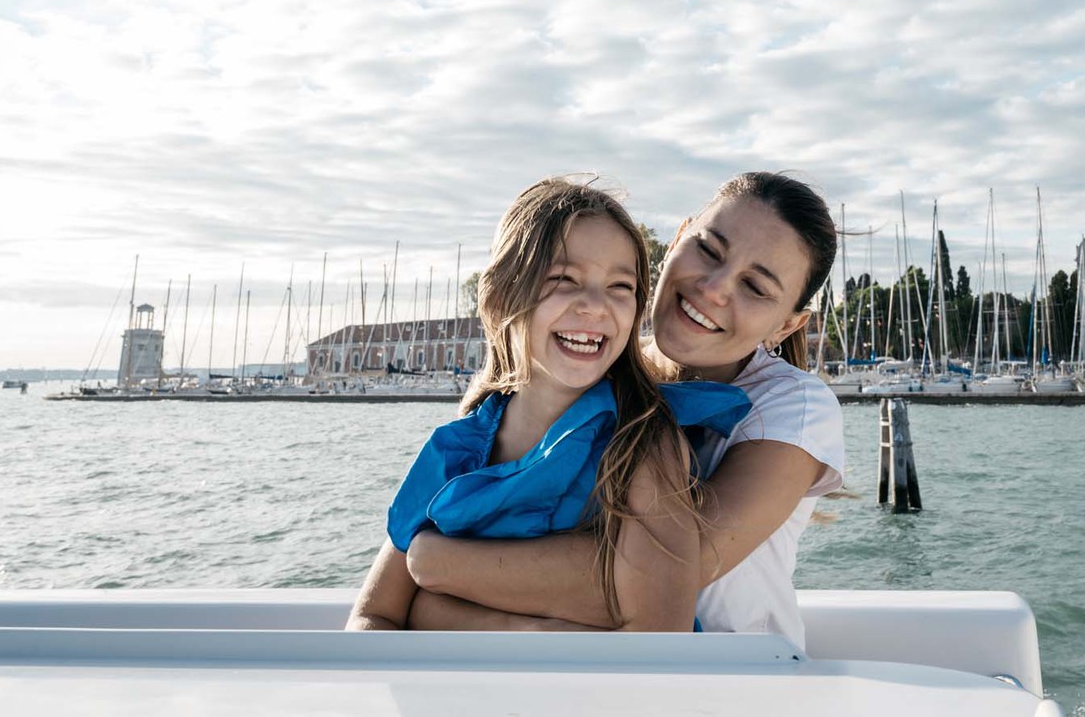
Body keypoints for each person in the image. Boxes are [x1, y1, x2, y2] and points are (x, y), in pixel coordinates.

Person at [404, 172, 846, 648]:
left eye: (754, 286)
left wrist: (436, 564)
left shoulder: (794, 406)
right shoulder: (587, 367)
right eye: (708, 250)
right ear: (677, 239)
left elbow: (671, 577)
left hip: (735, 675)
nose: (714, 288)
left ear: (786, 326)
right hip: (583, 669)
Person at [347, 178, 749, 632]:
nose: (595, 306)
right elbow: (373, 614)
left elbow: (660, 630)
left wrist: (448, 613)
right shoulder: (457, 449)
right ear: (501, 297)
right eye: (563, 279)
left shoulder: (643, 445)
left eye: (620, 286)